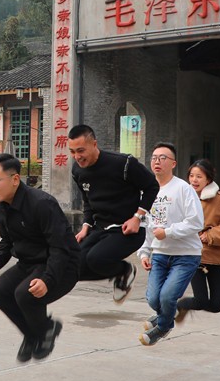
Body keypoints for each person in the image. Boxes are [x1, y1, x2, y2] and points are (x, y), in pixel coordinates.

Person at [0, 153, 79, 362]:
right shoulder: (2, 209)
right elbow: (7, 244)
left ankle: (46, 329)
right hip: (29, 263)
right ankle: (32, 335)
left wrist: (47, 280)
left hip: (63, 264)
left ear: (15, 179)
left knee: (25, 294)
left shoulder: (42, 204)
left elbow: (60, 248)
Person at [68, 124, 160, 303]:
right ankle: (118, 272)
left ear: (94, 144)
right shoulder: (77, 170)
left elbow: (152, 186)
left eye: (81, 151)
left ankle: (125, 271)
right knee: (72, 266)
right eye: (72, 152)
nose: (77, 157)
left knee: (96, 259)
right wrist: (86, 225)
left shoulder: (123, 163)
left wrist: (137, 217)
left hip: (128, 230)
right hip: (100, 229)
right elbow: (88, 201)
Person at [136, 143, 204, 346]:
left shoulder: (183, 189)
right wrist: (144, 252)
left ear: (173, 163)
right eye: (154, 157)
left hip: (186, 255)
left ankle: (163, 326)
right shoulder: (147, 193)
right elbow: (146, 226)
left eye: (163, 158)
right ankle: (167, 313)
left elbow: (196, 222)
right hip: (159, 254)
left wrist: (168, 232)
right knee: (153, 299)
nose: (157, 161)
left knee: (166, 297)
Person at [175, 159, 220, 320]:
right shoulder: (182, 197)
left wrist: (211, 235)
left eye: (199, 176)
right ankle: (173, 307)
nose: (194, 180)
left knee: (217, 305)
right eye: (191, 176)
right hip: (194, 255)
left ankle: (179, 306)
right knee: (200, 301)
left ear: (208, 179)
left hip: (216, 257)